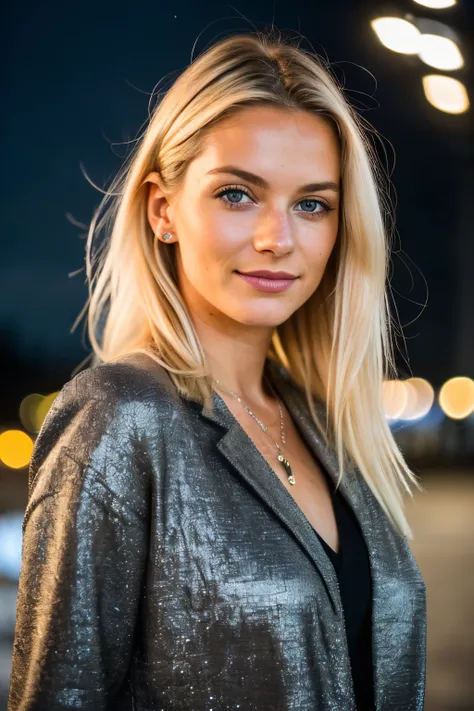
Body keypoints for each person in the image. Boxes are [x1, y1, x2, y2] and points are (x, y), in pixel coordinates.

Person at [7, 30, 427, 711]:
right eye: (238, 194)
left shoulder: (328, 426)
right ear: (163, 210)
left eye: (312, 204)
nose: (277, 238)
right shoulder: (120, 417)